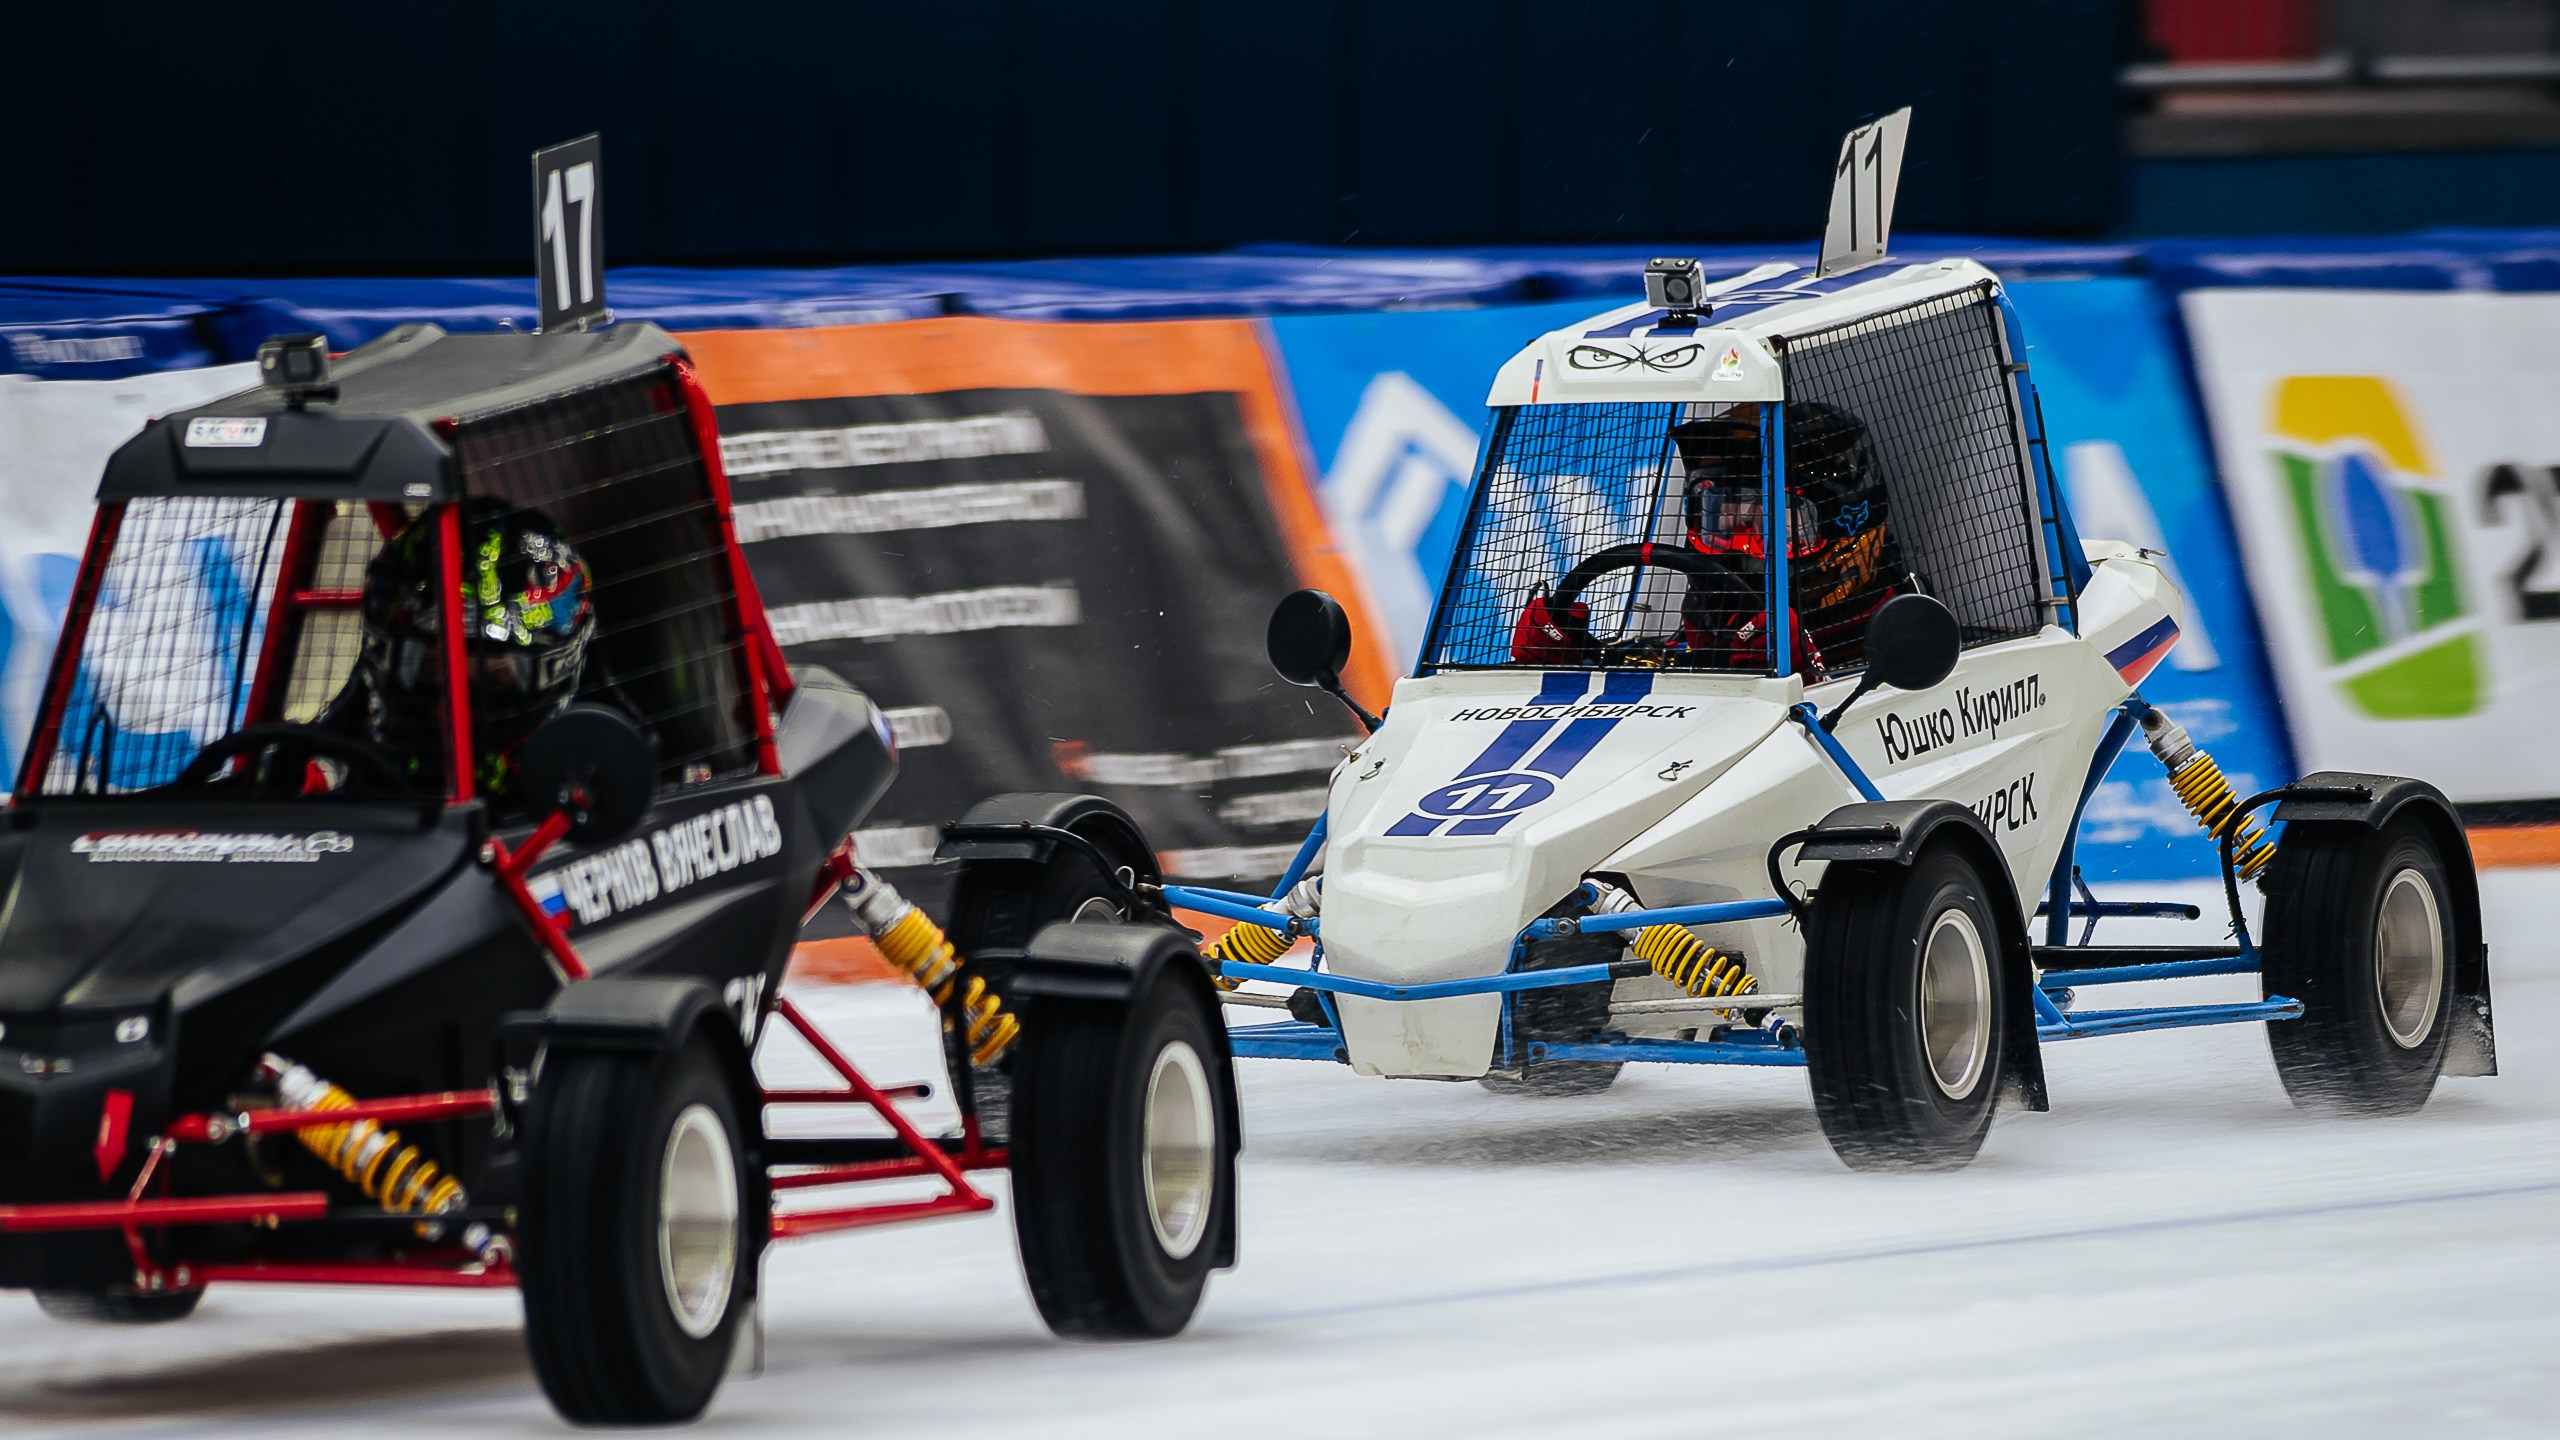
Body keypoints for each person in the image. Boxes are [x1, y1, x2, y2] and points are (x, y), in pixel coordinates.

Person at [1513, 402, 1911, 674]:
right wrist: (1567, 661)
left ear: (1846, 523)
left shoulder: (1913, 655)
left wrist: (1806, 679)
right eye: (1722, 513)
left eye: (1771, 519)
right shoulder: (1697, 646)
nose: (1740, 542)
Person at [335, 499, 596, 799]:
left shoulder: (596, 781)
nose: (451, 712)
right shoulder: (333, 762)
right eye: (431, 673)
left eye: (490, 684)